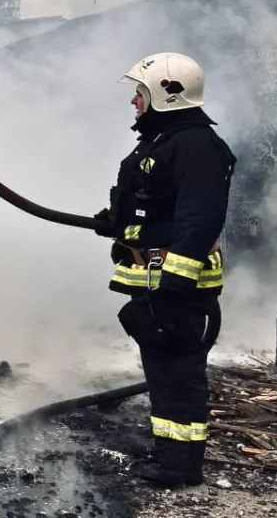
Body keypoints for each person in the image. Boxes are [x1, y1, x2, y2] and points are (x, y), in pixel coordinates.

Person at [93, 52, 236, 487]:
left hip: (176, 286)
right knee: (163, 368)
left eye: (140, 93)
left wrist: (175, 280)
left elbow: (200, 216)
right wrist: (113, 221)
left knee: (179, 372)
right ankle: (171, 455)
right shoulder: (164, 141)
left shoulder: (196, 146)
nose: (134, 102)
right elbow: (153, 202)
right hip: (158, 281)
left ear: (165, 94)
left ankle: (181, 466)